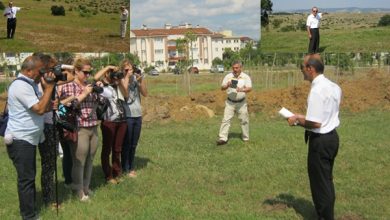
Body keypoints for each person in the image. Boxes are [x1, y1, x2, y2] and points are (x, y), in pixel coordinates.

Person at [287, 54, 341, 220]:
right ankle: (325, 214)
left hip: (320, 142)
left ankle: (324, 217)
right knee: (327, 179)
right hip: (332, 138)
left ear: (310, 69)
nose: (301, 70)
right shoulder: (334, 86)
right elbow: (326, 115)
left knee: (320, 184)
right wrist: (302, 115)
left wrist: (296, 120)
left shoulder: (317, 91)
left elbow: (316, 123)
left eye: (302, 67)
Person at [5, 54, 56, 220]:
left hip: (28, 139)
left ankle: (30, 210)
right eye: (40, 71)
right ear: (28, 70)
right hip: (21, 140)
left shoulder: (29, 84)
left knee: (29, 177)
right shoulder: (21, 86)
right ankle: (28, 216)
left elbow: (39, 107)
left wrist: (50, 104)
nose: (42, 74)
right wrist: (49, 88)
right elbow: (39, 109)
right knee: (26, 180)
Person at [60, 57, 98, 201]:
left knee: (90, 159)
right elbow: (65, 107)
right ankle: (79, 191)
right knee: (79, 161)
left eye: (90, 73)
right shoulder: (68, 86)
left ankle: (86, 187)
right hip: (79, 127)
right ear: (76, 71)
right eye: (85, 72)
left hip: (93, 126)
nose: (87, 75)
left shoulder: (90, 84)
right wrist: (84, 94)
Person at [94, 65, 127, 184]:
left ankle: (117, 172)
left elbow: (126, 94)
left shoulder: (117, 84)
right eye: (111, 72)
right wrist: (108, 67)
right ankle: (108, 175)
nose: (113, 74)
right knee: (107, 148)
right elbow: (95, 77)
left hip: (122, 119)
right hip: (108, 120)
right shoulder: (101, 85)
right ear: (107, 73)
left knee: (117, 149)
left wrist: (120, 81)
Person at [121, 60, 147, 178]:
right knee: (127, 143)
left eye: (130, 69)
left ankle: (131, 166)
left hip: (137, 115)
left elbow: (145, 93)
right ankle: (125, 167)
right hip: (127, 115)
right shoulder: (121, 80)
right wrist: (127, 76)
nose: (129, 72)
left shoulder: (136, 79)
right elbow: (125, 94)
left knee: (134, 144)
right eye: (126, 70)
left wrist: (141, 81)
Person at [216, 61, 252, 145]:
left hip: (241, 103)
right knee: (226, 120)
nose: (235, 70)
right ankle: (222, 138)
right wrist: (227, 85)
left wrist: (242, 90)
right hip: (230, 102)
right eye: (233, 68)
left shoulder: (245, 77)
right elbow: (222, 88)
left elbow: (250, 88)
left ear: (240, 68)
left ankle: (245, 138)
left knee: (244, 120)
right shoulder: (228, 76)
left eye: (236, 68)